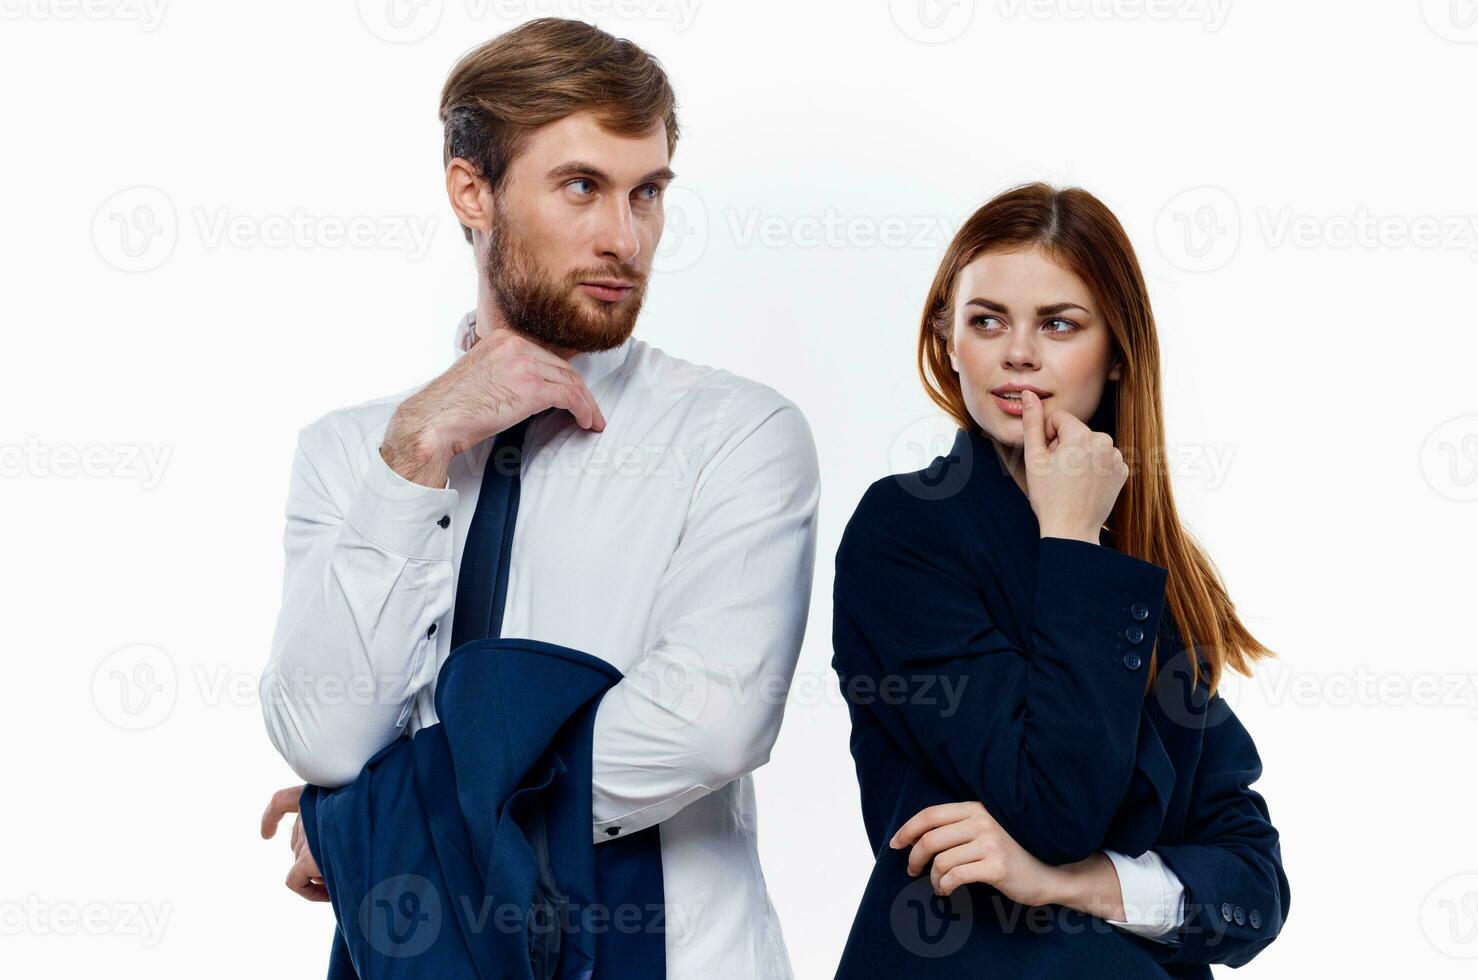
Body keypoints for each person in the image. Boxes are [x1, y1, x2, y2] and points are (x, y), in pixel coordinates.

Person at [255, 18, 819, 978]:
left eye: (647, 193)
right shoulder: (354, 451)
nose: (624, 237)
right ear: (472, 191)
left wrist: (366, 828)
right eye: (581, 187)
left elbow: (712, 721)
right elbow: (325, 733)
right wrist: (415, 451)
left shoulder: (738, 434)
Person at [830, 183, 1290, 977]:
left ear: (1116, 352)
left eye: (1059, 324)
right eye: (987, 320)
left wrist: (1075, 885)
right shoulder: (904, 532)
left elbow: (1254, 883)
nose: (1019, 353)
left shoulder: (1143, 566)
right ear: (947, 338)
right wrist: (1071, 535)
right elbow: (1057, 806)